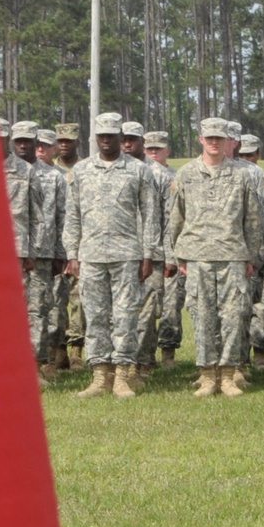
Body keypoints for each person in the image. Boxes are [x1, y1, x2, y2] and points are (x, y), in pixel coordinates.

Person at [64, 112, 161, 399]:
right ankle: (99, 376)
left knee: (125, 316)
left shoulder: (139, 170)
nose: (106, 141)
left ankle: (121, 376)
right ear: (95, 138)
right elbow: (73, 215)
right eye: (102, 136)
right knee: (94, 316)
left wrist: (147, 255)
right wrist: (72, 253)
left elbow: (150, 215)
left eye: (112, 136)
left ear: (121, 137)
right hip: (91, 255)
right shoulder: (81, 171)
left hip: (127, 255)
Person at [168, 117, 262, 398]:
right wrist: (179, 255)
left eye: (219, 138)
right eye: (209, 137)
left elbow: (252, 219)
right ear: (200, 139)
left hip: (233, 255)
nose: (213, 142)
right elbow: (176, 218)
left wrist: (251, 256)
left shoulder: (241, 175)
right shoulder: (185, 174)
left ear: (228, 142)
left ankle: (230, 375)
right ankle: (208, 375)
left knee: (234, 316)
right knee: (202, 316)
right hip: (197, 256)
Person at [122, 120, 177, 377]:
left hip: (152, 255)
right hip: (119, 252)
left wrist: (169, 256)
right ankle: (121, 362)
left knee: (146, 311)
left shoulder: (160, 175)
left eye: (133, 139)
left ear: (142, 142)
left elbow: (170, 219)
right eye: (124, 139)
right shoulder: (115, 170)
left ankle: (142, 364)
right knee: (120, 311)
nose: (127, 144)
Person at [10, 122, 64, 383]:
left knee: (39, 309)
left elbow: (61, 216)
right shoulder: (6, 172)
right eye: (18, 140)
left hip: (43, 252)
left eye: (28, 141)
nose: (23, 145)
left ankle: (38, 364)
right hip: (13, 253)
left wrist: (60, 253)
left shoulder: (53, 176)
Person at [234, 129, 264, 370]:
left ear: (258, 154)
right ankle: (239, 359)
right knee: (238, 308)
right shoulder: (233, 175)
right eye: (242, 154)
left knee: (262, 306)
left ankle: (260, 355)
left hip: (263, 254)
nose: (246, 159)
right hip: (238, 252)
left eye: (250, 155)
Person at [145, 131, 184, 364]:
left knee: (171, 306)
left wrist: (172, 255)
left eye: (157, 148)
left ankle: (168, 355)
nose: (153, 152)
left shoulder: (176, 177)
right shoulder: (143, 174)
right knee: (147, 307)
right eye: (149, 148)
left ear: (167, 150)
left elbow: (174, 220)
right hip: (148, 253)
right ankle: (146, 355)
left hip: (170, 253)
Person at [52, 122, 85, 369]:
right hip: (53, 244)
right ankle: (57, 350)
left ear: (77, 142)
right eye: (61, 141)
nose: (64, 144)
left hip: (81, 244)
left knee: (79, 299)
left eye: (69, 141)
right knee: (54, 299)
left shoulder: (86, 169)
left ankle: (76, 351)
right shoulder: (48, 171)